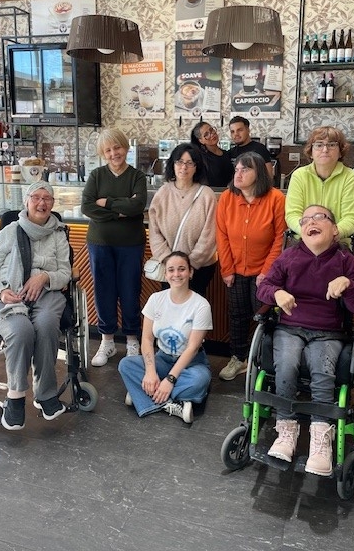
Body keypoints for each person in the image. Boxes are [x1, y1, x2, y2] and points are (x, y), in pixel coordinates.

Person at [257, 205, 354, 476]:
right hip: (290, 327)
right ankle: (286, 432)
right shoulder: (288, 257)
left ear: (334, 230)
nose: (311, 222)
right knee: (286, 364)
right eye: (305, 220)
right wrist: (277, 294)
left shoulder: (345, 261)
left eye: (319, 217)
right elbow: (264, 288)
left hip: (328, 331)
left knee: (322, 369)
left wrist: (347, 284)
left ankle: (321, 439)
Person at [0, 181, 71, 430]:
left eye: (47, 199)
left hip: (46, 293)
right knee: (21, 331)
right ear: (26, 201)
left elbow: (65, 273)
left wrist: (44, 277)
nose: (41, 203)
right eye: (36, 197)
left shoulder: (58, 234)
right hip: (9, 294)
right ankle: (15, 397)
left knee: (47, 324)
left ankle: (46, 395)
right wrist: (0, 291)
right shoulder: (10, 232)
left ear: (53, 204)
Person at [118, 251, 212, 424]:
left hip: (191, 363)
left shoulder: (201, 305)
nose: (176, 274)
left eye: (182, 269)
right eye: (171, 270)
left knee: (200, 379)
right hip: (162, 359)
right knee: (126, 364)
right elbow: (147, 339)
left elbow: (192, 348)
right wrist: (150, 372)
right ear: (165, 274)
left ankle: (145, 393)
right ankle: (171, 402)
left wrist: (169, 380)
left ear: (190, 272)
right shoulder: (156, 299)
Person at [216, 151, 286, 381]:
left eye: (245, 169)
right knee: (237, 315)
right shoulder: (227, 198)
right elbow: (221, 235)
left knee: (263, 317)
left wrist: (267, 271)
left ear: (259, 173)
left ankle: (262, 362)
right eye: (236, 169)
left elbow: (280, 238)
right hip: (235, 270)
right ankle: (238, 358)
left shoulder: (276, 198)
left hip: (264, 273)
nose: (238, 174)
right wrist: (227, 269)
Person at [81, 127, 147, 367]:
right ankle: (106, 340)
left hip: (131, 244)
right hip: (100, 243)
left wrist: (107, 203)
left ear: (125, 147)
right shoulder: (96, 175)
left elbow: (137, 206)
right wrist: (120, 212)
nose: (113, 153)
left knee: (130, 291)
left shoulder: (137, 176)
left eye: (117, 147)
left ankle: (132, 340)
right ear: (103, 154)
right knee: (103, 291)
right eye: (107, 150)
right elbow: (87, 207)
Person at [148, 143, 217, 297]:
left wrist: (189, 264)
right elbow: (154, 231)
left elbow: (210, 235)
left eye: (189, 163)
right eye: (179, 162)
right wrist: (170, 261)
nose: (184, 167)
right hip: (169, 267)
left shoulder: (207, 195)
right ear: (172, 164)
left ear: (197, 167)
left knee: (195, 305)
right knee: (170, 304)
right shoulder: (163, 193)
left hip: (199, 268)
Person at [285, 126, 354, 240]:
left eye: (331, 145)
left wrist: (331, 234)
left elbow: (351, 217)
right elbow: (292, 214)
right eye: (319, 145)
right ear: (311, 152)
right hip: (304, 241)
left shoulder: (349, 176)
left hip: (337, 242)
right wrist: (309, 233)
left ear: (340, 152)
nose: (325, 150)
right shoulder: (299, 175)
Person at [190, 121, 234, 187]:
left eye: (211, 130)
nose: (211, 134)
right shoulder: (201, 158)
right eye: (206, 135)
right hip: (212, 192)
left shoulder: (227, 154)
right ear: (201, 140)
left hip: (230, 191)